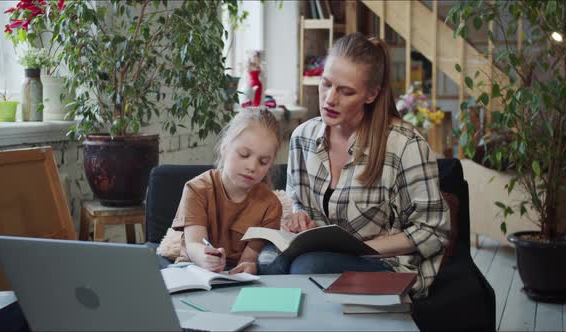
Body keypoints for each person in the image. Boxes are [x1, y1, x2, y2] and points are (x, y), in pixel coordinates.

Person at [264, 33, 450, 298]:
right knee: (266, 262)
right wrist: (299, 217)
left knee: (308, 267)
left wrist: (359, 249)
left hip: (384, 264)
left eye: (346, 91)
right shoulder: (302, 138)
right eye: (326, 84)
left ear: (371, 94)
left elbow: (432, 232)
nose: (330, 98)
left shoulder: (406, 145)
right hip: (320, 255)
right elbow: (298, 202)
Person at [170, 107, 283, 275]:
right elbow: (193, 245)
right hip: (192, 267)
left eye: (263, 161)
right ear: (224, 147)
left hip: (235, 275)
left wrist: (249, 267)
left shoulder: (271, 206)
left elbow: (248, 259)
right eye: (244, 155)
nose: (252, 167)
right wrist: (206, 258)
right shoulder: (196, 189)